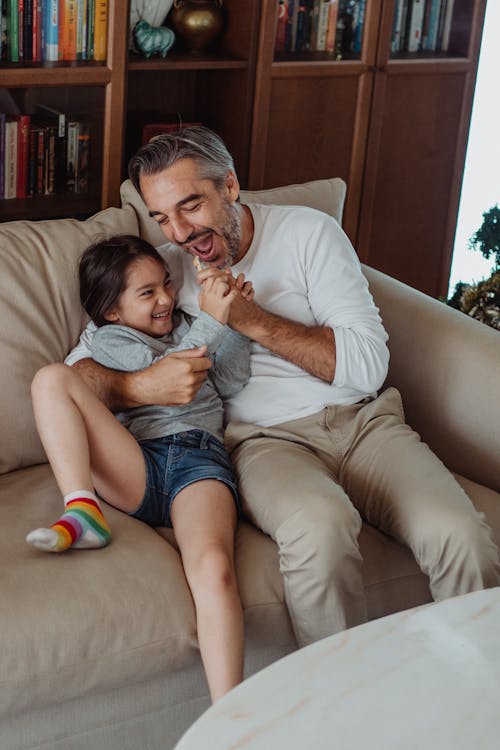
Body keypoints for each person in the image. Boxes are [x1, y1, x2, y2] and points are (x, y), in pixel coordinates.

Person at [66, 126, 500, 648]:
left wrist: (251, 319)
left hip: (365, 424)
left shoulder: (308, 234)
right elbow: (78, 372)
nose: (179, 231)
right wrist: (141, 385)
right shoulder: (163, 272)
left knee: (462, 537)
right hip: (263, 441)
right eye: (162, 217)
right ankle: (333, 712)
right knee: (320, 530)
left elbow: (367, 366)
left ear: (229, 185)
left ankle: (478, 705)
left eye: (190, 205)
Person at [27, 234, 252, 702]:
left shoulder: (191, 323)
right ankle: (83, 509)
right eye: (147, 293)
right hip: (137, 460)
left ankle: (230, 720)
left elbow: (232, 378)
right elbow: (174, 378)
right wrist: (212, 321)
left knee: (213, 568)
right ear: (112, 310)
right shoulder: (112, 340)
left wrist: (234, 323)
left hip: (199, 459)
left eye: (166, 285)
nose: (167, 299)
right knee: (51, 378)